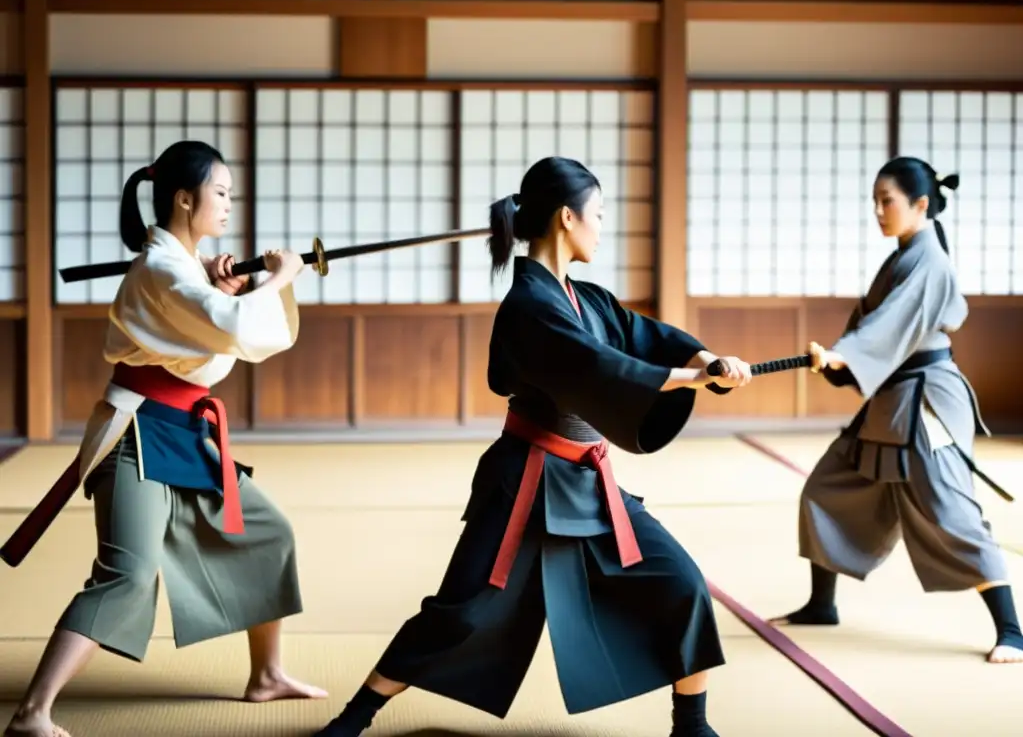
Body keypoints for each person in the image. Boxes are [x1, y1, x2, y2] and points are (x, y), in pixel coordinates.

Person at [314, 156, 753, 737]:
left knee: (682, 582)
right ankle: (354, 718)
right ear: (568, 218)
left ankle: (692, 727)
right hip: (525, 480)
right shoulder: (528, 306)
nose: (603, 225)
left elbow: (644, 336)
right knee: (461, 609)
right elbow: (599, 365)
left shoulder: (587, 298)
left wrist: (707, 361)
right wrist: (683, 379)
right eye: (598, 214)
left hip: (590, 485)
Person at [3, 140, 327, 737]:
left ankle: (266, 674)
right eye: (221, 193)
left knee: (267, 532)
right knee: (126, 573)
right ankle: (32, 713)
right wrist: (278, 278)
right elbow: (226, 328)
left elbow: (207, 339)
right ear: (185, 198)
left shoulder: (179, 269)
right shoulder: (159, 269)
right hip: (137, 432)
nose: (229, 205)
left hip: (185, 430)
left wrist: (227, 290)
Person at [769, 156, 1023, 665]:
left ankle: (1013, 629)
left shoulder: (930, 262)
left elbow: (887, 328)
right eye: (875, 202)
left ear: (921, 204)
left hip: (926, 403)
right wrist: (843, 361)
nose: (878, 211)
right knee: (827, 490)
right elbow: (880, 328)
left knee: (951, 510)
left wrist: (846, 355)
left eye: (887, 201)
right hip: (889, 397)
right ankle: (823, 604)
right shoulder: (905, 255)